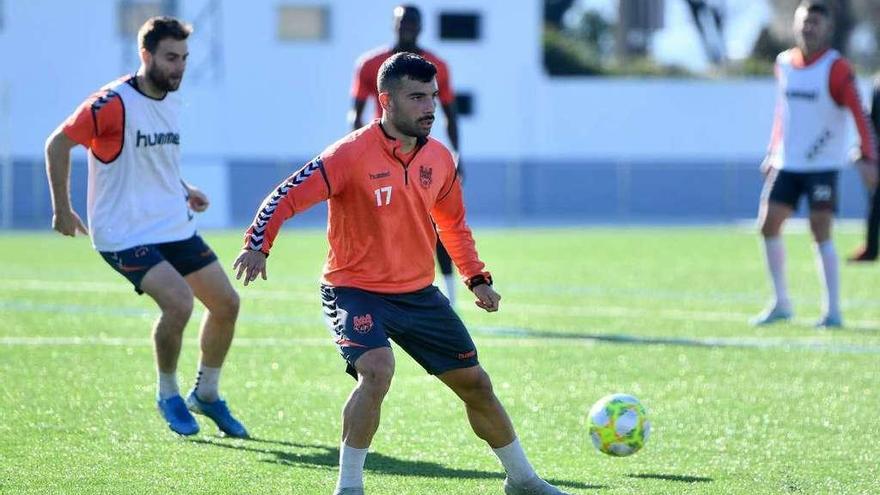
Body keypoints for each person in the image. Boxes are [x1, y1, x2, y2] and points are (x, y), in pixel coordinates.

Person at [235, 53, 569, 495]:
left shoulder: (441, 159)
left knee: (477, 385)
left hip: (419, 294)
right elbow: (287, 195)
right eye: (417, 97)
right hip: (355, 290)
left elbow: (452, 225)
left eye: (432, 96)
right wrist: (258, 245)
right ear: (385, 100)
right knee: (377, 369)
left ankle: (523, 480)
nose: (429, 107)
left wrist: (476, 278)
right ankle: (349, 487)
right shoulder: (349, 154)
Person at [44, 16, 247, 437]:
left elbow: (152, 157)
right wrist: (62, 209)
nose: (180, 67)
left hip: (172, 222)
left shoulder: (171, 98)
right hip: (123, 232)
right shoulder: (112, 102)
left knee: (227, 304)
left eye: (185, 59)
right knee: (179, 304)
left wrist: (184, 187)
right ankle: (168, 393)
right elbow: (57, 143)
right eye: (171, 58)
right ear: (146, 55)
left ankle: (206, 394)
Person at [752, 1, 877, 328]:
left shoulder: (837, 68)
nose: (809, 28)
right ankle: (781, 302)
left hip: (822, 164)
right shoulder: (784, 64)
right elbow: (783, 113)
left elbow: (859, 114)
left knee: (820, 230)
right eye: (805, 22)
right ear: (796, 25)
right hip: (787, 163)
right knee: (768, 224)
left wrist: (868, 157)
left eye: (816, 23)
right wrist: (772, 151)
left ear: (827, 28)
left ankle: (832, 311)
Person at [349, 4, 462, 306]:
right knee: (374, 223)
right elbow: (355, 114)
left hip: (421, 154)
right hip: (380, 154)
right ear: (393, 25)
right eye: (402, 22)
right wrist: (355, 155)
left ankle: (450, 297)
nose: (407, 28)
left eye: (412, 22)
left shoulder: (436, 65)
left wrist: (456, 156)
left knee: (438, 222)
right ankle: (364, 290)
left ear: (420, 26)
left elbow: (451, 114)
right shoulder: (371, 64)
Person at [847, 76, 880, 262]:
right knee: (875, 207)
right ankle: (871, 249)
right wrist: (863, 152)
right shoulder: (877, 85)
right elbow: (871, 123)